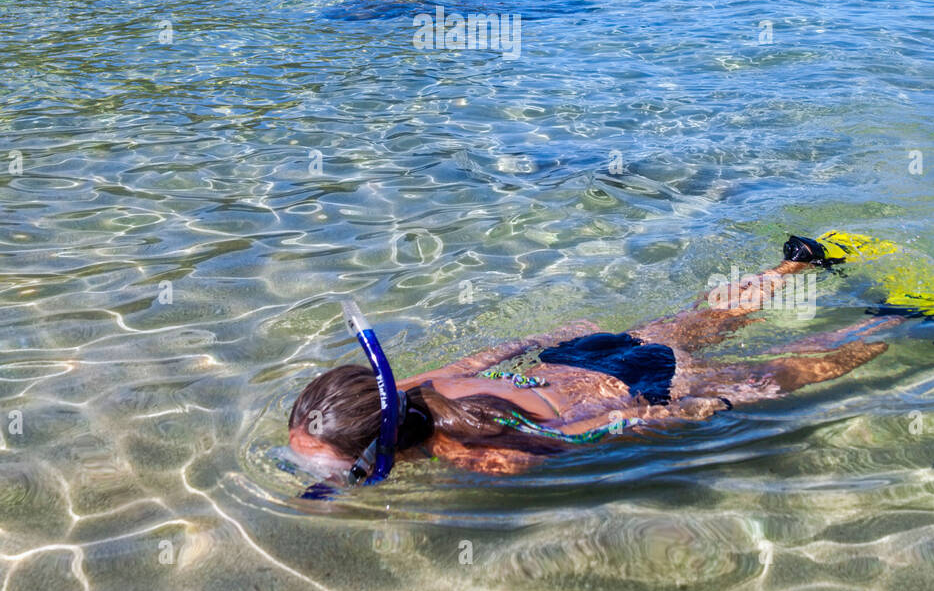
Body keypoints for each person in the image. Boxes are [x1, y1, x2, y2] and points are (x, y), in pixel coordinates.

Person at [287, 235, 908, 484]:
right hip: (576, 352)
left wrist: (690, 410)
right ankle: (799, 260)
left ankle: (895, 320)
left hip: (636, 386)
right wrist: (551, 339)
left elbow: (600, 430)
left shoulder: (484, 457)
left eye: (334, 468)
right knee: (715, 316)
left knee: (777, 375)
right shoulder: (416, 385)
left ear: (379, 454)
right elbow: (495, 352)